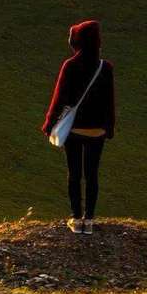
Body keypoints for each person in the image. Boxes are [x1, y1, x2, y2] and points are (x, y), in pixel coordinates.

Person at [42, 19, 115, 234]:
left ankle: (75, 219)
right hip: (97, 131)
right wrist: (109, 128)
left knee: (74, 173)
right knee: (92, 174)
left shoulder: (70, 66)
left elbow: (60, 98)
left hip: (74, 130)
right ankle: (89, 220)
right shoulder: (106, 68)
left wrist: (49, 123)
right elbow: (110, 101)